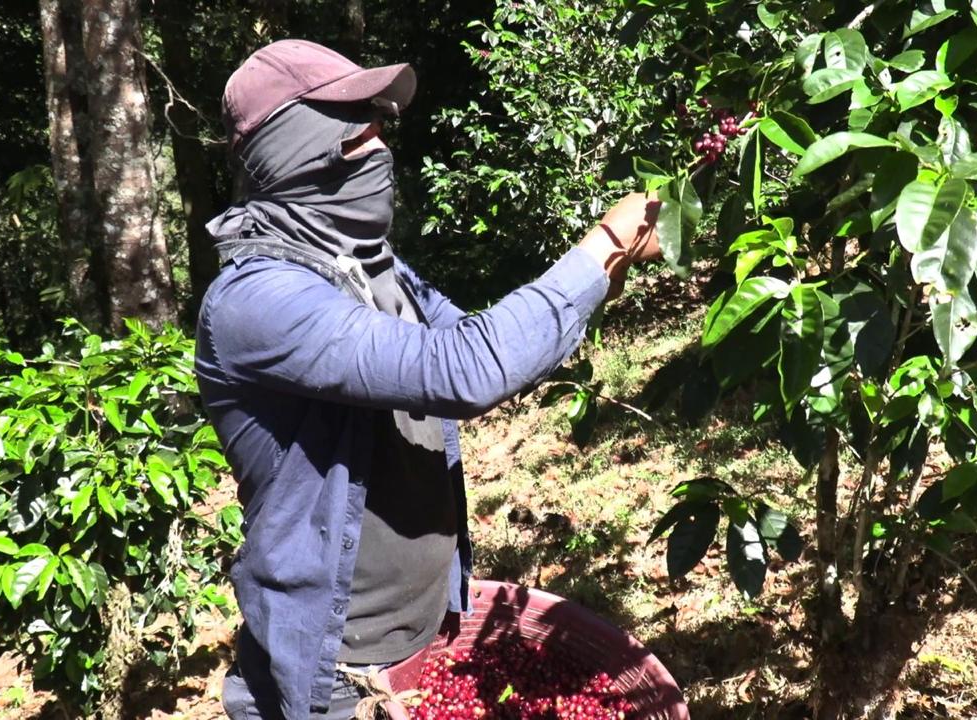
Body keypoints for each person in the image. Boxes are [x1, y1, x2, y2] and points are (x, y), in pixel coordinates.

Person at [193, 39, 661, 720]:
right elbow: (462, 371)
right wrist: (603, 244)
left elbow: (480, 348)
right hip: (336, 678)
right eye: (363, 136)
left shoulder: (368, 262)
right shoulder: (257, 302)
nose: (383, 152)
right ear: (300, 152)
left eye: (385, 131)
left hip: (414, 642)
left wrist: (605, 276)